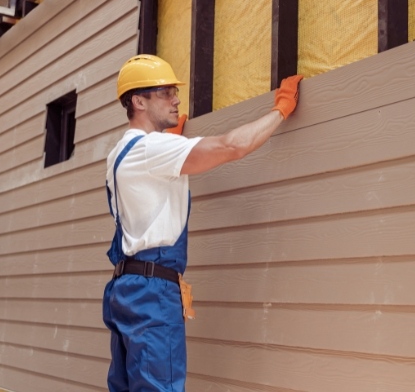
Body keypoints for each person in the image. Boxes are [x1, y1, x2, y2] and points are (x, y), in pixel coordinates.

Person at [102, 54, 302, 392]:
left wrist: (175, 142)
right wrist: (280, 110)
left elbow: (153, 180)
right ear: (139, 100)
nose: (176, 99)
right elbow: (231, 146)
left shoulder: (121, 151)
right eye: (165, 92)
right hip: (153, 291)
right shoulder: (152, 149)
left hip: (126, 288)